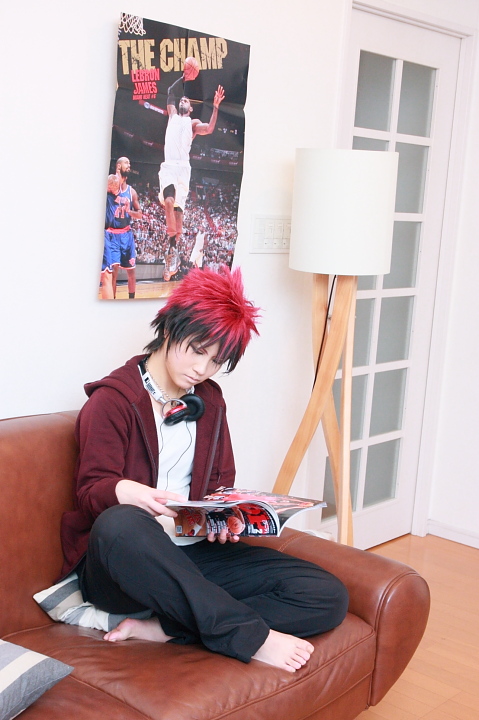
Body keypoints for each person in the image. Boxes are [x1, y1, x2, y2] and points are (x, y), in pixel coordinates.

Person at [60, 267, 348, 673]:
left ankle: (168, 628)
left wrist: (221, 519)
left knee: (326, 594)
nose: (202, 369)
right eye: (197, 350)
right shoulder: (111, 401)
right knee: (120, 522)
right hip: (127, 566)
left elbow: (219, 485)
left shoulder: (210, 401)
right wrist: (130, 492)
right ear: (169, 329)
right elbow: (91, 491)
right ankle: (252, 637)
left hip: (192, 553)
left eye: (216, 361)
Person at [158, 75, 224, 280]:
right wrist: (184, 77)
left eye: (186, 100)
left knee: (179, 215)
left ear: (191, 108)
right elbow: (170, 91)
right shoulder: (172, 115)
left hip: (184, 169)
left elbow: (210, 128)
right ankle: (171, 250)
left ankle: (173, 252)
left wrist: (215, 108)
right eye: (182, 99)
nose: (183, 100)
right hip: (169, 165)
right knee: (169, 201)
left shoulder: (192, 123)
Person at [102, 157, 142, 299]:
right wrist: (116, 177)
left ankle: (132, 299)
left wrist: (130, 212)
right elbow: (111, 183)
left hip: (126, 234)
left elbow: (140, 214)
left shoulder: (131, 192)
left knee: (131, 272)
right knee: (113, 271)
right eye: (126, 163)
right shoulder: (111, 183)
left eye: (130, 163)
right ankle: (112, 300)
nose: (129, 165)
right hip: (112, 234)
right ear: (118, 166)